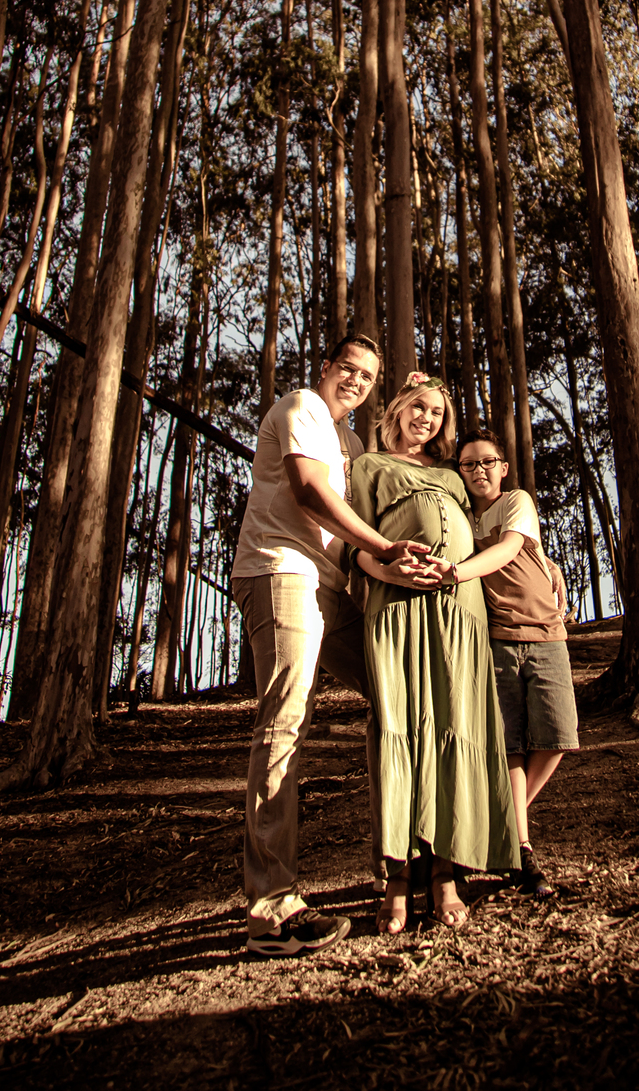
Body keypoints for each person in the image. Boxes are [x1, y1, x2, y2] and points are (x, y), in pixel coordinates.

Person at [231, 335, 441, 957]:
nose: (355, 379)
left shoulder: (351, 444)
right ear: (326, 368)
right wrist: (382, 548)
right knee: (286, 721)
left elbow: (358, 527)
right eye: (347, 367)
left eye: (368, 375)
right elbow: (308, 493)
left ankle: (403, 863)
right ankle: (272, 911)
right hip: (279, 571)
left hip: (329, 584)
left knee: (394, 694)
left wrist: (397, 562)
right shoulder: (301, 407)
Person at [349, 373, 521, 934]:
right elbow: (359, 550)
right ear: (397, 409)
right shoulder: (369, 467)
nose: (427, 419)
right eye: (418, 408)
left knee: (456, 727)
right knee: (401, 731)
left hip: (460, 609)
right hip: (398, 607)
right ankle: (397, 879)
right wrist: (389, 567)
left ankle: (446, 873)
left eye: (437, 413)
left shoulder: (452, 475)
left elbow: (494, 521)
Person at [457, 428, 579, 899]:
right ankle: (520, 847)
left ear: (503, 467)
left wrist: (456, 570)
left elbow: (512, 547)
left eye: (487, 461)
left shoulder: (516, 501)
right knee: (510, 747)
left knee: (557, 735)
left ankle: (495, 830)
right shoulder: (463, 517)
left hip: (547, 634)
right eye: (469, 464)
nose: (479, 470)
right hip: (497, 642)